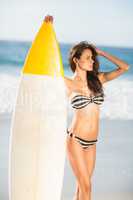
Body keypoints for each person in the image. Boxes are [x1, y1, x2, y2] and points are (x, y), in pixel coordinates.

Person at [44, 15, 129, 200]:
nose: (92, 61)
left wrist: (102, 53)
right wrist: (49, 30)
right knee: (87, 187)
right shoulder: (67, 83)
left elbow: (124, 67)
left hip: (92, 143)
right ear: (76, 60)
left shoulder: (98, 79)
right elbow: (50, 64)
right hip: (75, 140)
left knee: (81, 189)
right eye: (88, 58)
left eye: (93, 58)